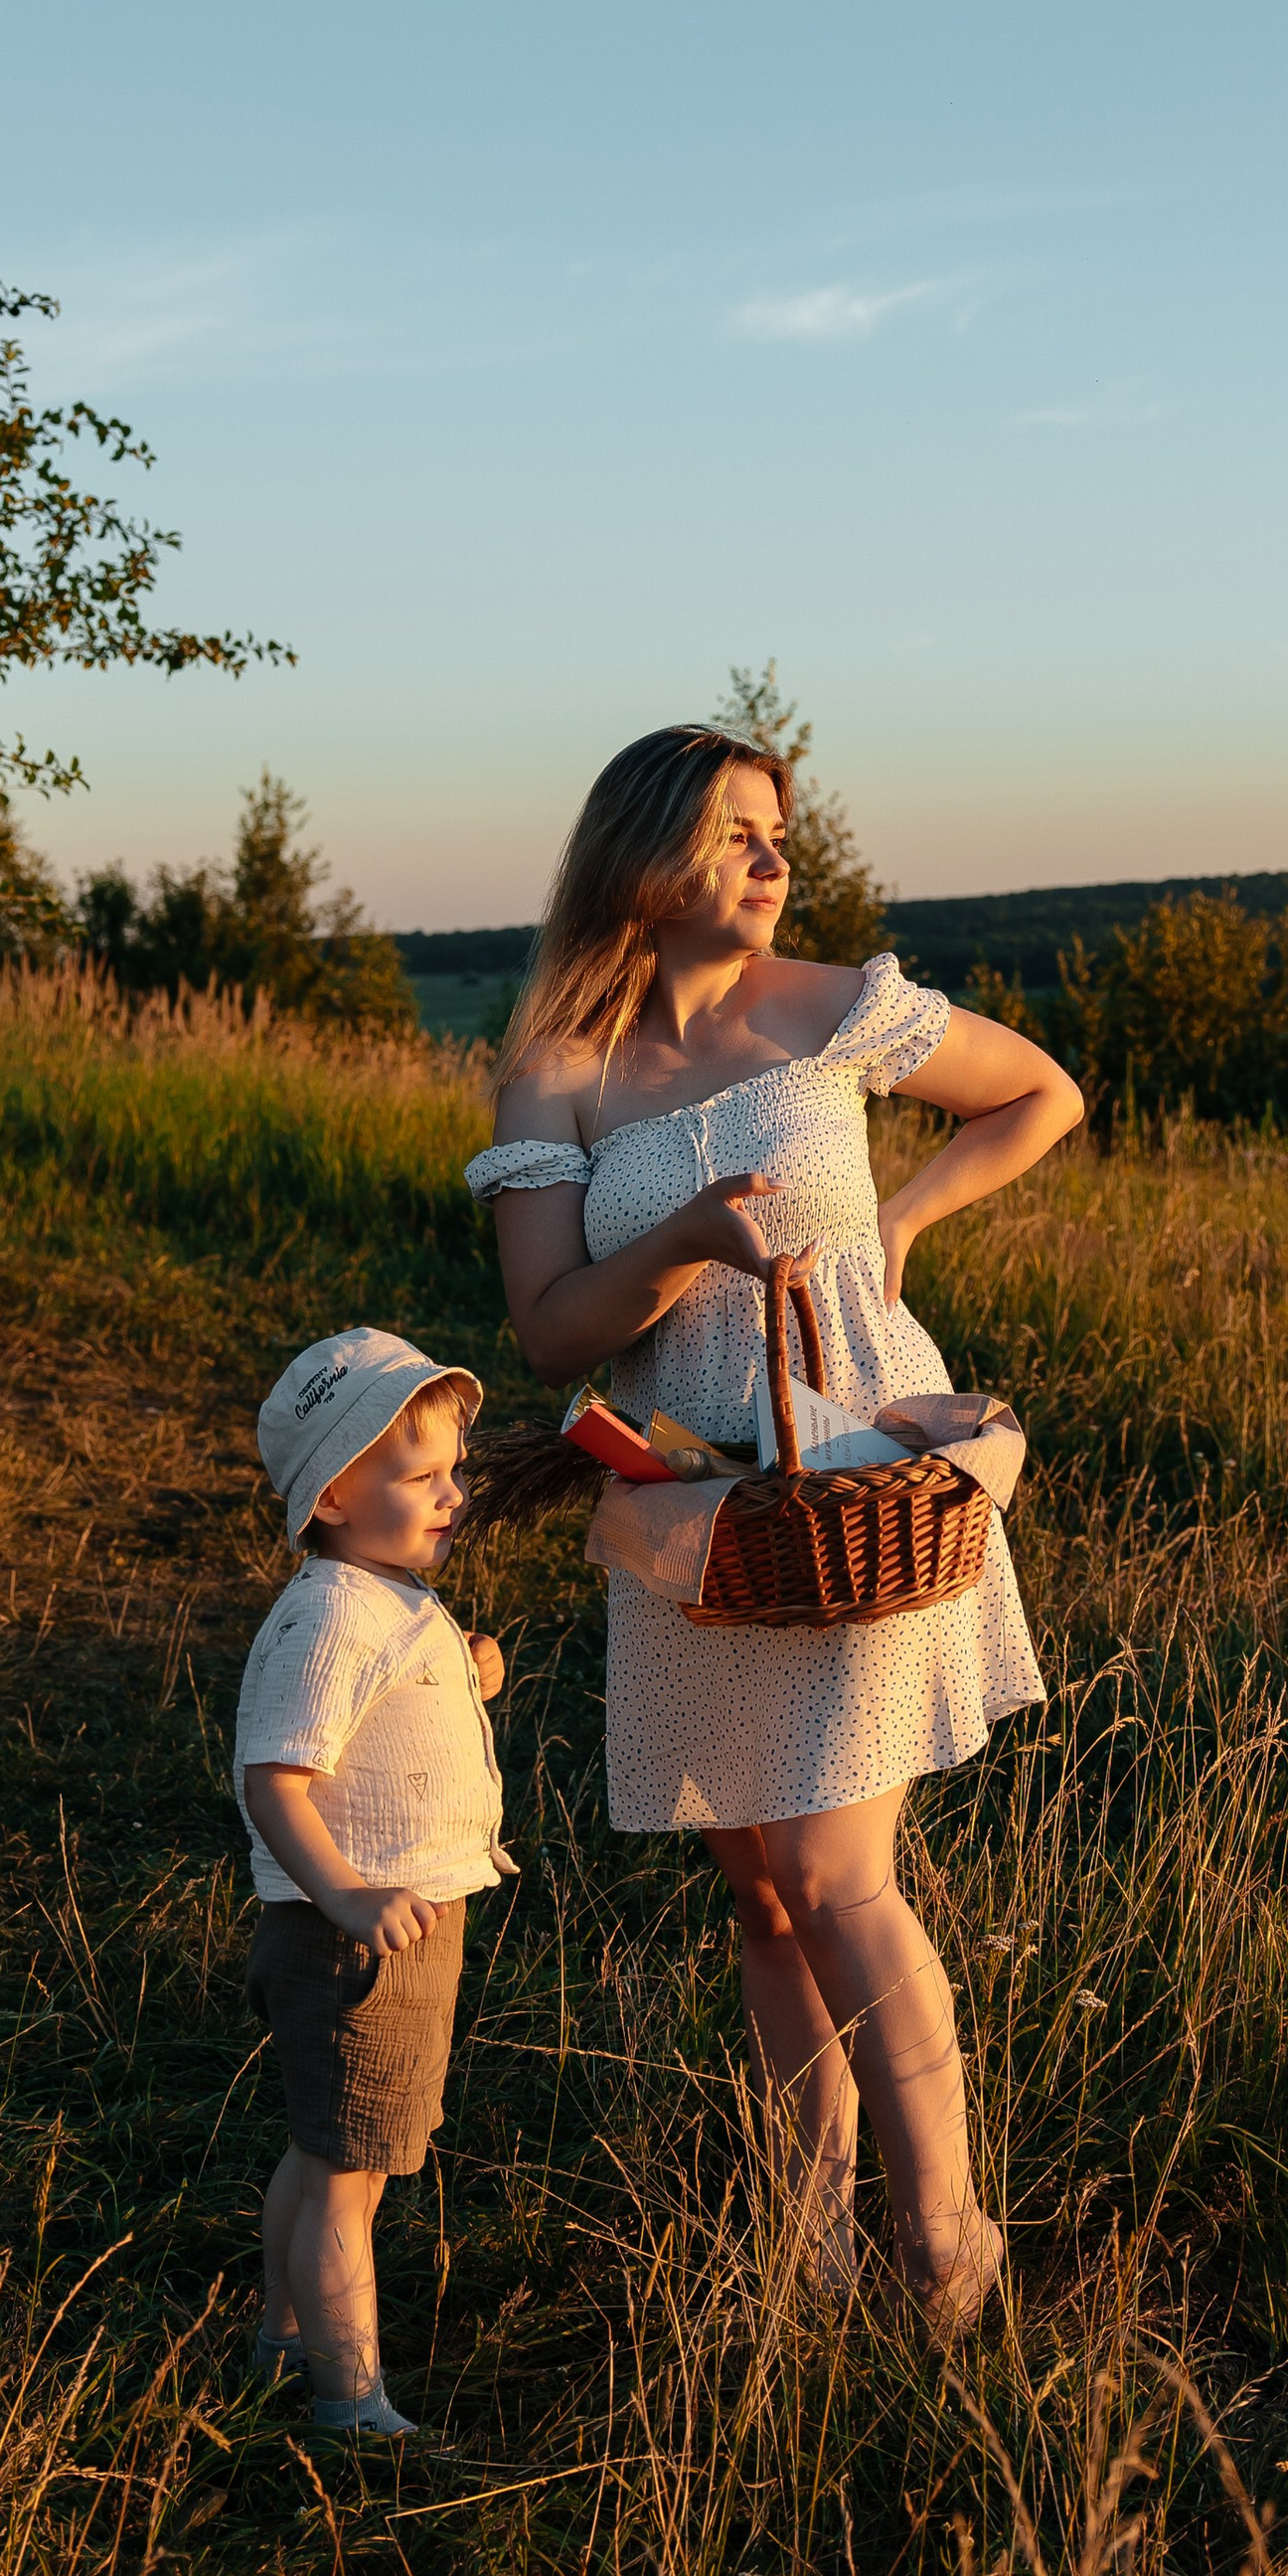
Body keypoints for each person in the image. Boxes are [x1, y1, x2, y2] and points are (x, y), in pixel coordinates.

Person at [464, 727, 1083, 2334]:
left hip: (852, 1471)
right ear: (641, 860)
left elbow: (1038, 1096)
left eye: (776, 830)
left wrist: (902, 1220)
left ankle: (946, 2248)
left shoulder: (828, 1008)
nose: (771, 856)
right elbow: (546, 1335)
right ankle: (806, 2241)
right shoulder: (560, 1072)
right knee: (759, 1893)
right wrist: (679, 1238)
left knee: (833, 1866)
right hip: (688, 1496)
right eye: (734, 831)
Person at [237, 1326, 516, 2438]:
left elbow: (377, 1716)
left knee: (325, 2154)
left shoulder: (379, 1592)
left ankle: (281, 2340)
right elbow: (277, 1780)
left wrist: (465, 1675)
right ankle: (348, 2395)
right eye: (420, 1477)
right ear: (336, 1497)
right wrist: (346, 1894)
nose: (453, 1494)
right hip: (355, 1933)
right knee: (347, 2176)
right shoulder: (332, 1615)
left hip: (384, 1920)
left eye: (454, 1469)